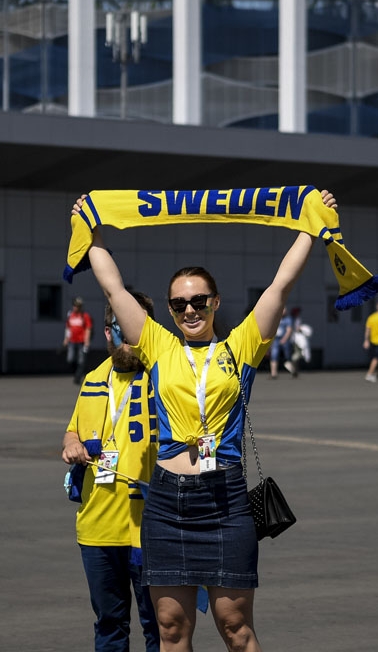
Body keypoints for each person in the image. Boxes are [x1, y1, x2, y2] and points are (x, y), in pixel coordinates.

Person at [75, 189, 338, 652]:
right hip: (166, 506)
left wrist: (311, 226)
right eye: (179, 304)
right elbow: (113, 288)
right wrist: (90, 227)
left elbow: (279, 286)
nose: (190, 310)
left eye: (199, 301)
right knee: (172, 630)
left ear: (215, 303)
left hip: (225, 500)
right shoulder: (158, 345)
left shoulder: (241, 347)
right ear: (170, 309)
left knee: (235, 628)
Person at [62, 291, 161, 652]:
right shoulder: (92, 379)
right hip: (97, 528)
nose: (129, 338)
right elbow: (73, 428)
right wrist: (71, 443)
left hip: (149, 528)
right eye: (121, 328)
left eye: (137, 329)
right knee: (109, 626)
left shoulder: (164, 377)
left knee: (162, 630)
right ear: (107, 332)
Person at [64, 297, 94, 385]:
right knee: (70, 359)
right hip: (72, 341)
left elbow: (88, 329)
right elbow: (68, 328)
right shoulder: (70, 315)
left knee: (81, 360)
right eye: (75, 306)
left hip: (81, 341)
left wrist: (87, 341)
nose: (76, 308)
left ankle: (77, 377)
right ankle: (76, 373)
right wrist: (66, 339)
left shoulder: (85, 316)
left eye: (78, 306)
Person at [268, 306, 294, 379]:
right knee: (274, 355)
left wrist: (285, 339)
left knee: (287, 356)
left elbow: (289, 330)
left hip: (284, 339)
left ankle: (292, 370)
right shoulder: (275, 319)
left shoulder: (288, 319)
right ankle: (273, 373)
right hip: (276, 339)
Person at [288, 307, 311, 377]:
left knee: (298, 355)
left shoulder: (296, 319)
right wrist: (300, 329)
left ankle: (295, 370)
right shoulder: (294, 320)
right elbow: (296, 329)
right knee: (298, 354)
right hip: (296, 340)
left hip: (295, 339)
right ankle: (290, 364)